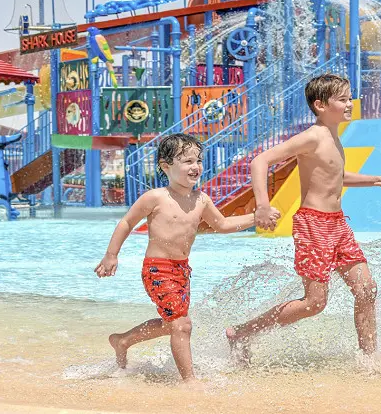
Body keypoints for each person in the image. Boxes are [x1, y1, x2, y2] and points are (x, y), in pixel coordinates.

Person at [225, 74, 381, 364]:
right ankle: (242, 333)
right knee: (314, 303)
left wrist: (378, 180)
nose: (350, 103)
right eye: (342, 99)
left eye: (349, 97)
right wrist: (263, 206)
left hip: (338, 224)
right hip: (313, 224)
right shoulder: (312, 136)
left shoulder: (333, 137)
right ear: (320, 105)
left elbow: (336, 176)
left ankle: (369, 360)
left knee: (367, 289)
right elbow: (260, 161)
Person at [94, 133, 279, 383]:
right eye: (188, 161)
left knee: (171, 324)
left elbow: (222, 224)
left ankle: (123, 340)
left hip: (182, 271)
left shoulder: (201, 199)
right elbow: (126, 222)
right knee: (182, 325)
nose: (196, 167)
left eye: (198, 160)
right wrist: (111, 255)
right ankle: (190, 382)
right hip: (157, 270)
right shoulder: (156, 197)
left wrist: (256, 218)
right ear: (165, 166)